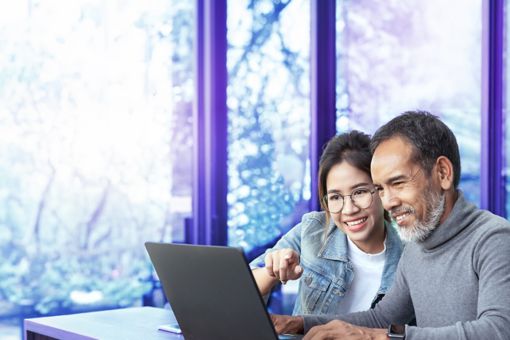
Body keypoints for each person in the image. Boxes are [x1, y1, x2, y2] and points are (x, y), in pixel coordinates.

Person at [272, 111, 510, 339]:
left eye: (398, 183)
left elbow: (498, 331)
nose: (388, 202)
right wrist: (298, 323)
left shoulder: (493, 238)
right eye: (380, 189)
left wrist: (376, 337)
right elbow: (382, 318)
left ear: (443, 173)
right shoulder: (417, 248)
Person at [250, 131, 403, 316]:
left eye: (360, 192)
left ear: (380, 189)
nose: (349, 209)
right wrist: (272, 272)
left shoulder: (409, 257)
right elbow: (241, 289)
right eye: (335, 197)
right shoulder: (313, 230)